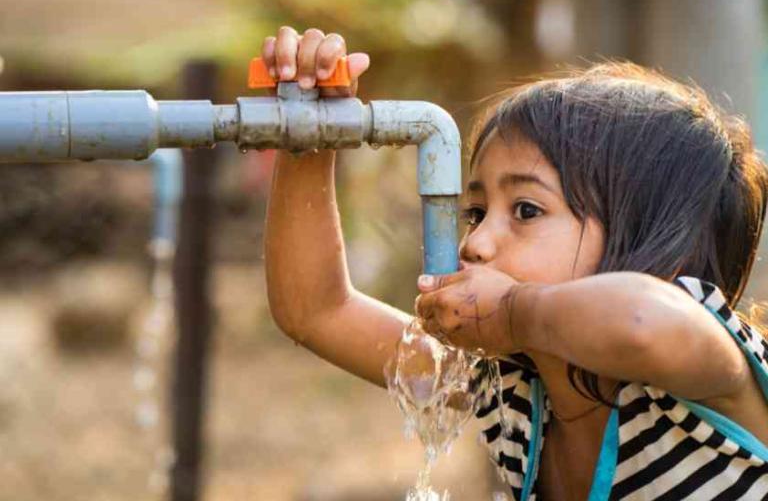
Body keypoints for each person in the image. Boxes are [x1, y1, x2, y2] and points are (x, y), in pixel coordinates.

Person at [263, 26, 768, 499]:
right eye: (476, 213)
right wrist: (309, 135)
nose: (476, 243)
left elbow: (638, 320)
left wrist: (511, 309)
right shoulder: (513, 389)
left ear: (657, 246)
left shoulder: (703, 369)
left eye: (526, 210)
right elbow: (317, 310)